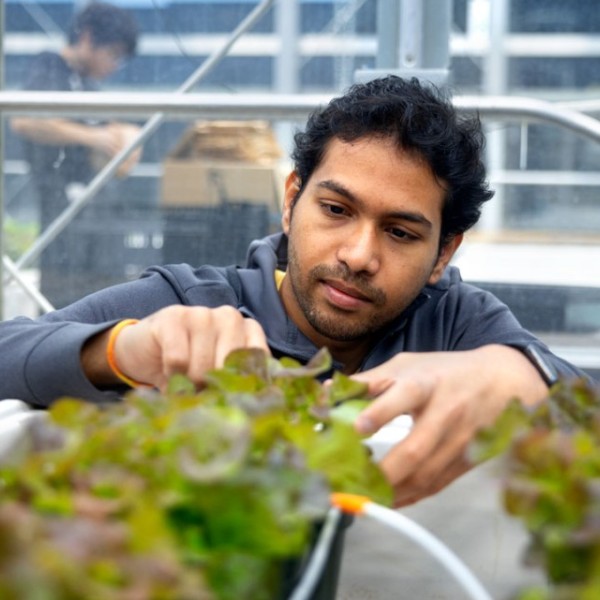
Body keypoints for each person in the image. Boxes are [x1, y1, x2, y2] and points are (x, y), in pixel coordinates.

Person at [0, 76, 589, 507]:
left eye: (401, 232)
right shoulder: (190, 300)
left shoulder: (461, 325)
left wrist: (528, 375)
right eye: (335, 209)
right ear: (290, 202)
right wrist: (121, 351)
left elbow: (577, 393)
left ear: (444, 254)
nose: (359, 255)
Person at [10, 1, 140, 309]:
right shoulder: (50, 67)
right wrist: (94, 138)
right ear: (87, 38)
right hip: (61, 211)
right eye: (112, 54)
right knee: (63, 302)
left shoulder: (89, 88)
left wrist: (126, 136)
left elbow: (115, 146)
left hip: (95, 219)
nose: (113, 65)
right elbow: (25, 119)